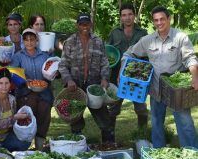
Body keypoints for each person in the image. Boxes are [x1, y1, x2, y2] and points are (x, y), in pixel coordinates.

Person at [123, 6, 198, 148]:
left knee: (185, 123)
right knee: (157, 123)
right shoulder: (148, 40)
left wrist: (195, 76)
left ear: (169, 19)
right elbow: (129, 54)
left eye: (162, 19)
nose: (159, 23)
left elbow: (190, 58)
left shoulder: (180, 37)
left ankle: (192, 153)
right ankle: (159, 153)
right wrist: (123, 68)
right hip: (156, 89)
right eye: (156, 20)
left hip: (177, 91)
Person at [58, 13, 114, 144]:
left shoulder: (98, 41)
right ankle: (77, 145)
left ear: (91, 24)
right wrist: (68, 80)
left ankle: (109, 144)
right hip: (75, 86)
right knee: (76, 119)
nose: (85, 27)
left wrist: (105, 78)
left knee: (103, 118)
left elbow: (105, 63)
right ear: (77, 25)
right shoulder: (70, 41)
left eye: (87, 24)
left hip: (94, 85)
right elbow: (63, 65)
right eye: (82, 24)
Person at [107, 3, 148, 140]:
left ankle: (141, 136)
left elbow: (147, 55)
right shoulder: (114, 33)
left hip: (137, 77)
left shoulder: (142, 33)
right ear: (120, 17)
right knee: (113, 109)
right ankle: (110, 138)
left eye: (130, 14)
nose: (127, 18)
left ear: (134, 15)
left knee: (141, 109)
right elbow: (108, 53)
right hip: (116, 77)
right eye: (124, 15)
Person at [10, 28, 53, 150]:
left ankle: (39, 146)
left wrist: (52, 74)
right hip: (25, 92)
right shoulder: (18, 56)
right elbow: (13, 73)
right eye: (26, 40)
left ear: (36, 41)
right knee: (27, 118)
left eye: (32, 39)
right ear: (23, 41)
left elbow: (50, 72)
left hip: (43, 92)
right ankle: (25, 146)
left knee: (43, 118)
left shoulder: (44, 55)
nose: (29, 42)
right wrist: (25, 80)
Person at [0, 68, 31, 152]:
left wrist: (23, 119)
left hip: (8, 136)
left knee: (26, 142)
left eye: (6, 83)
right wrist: (14, 117)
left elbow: (14, 121)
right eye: (1, 83)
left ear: (10, 84)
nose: (4, 86)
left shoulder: (12, 99)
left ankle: (9, 150)